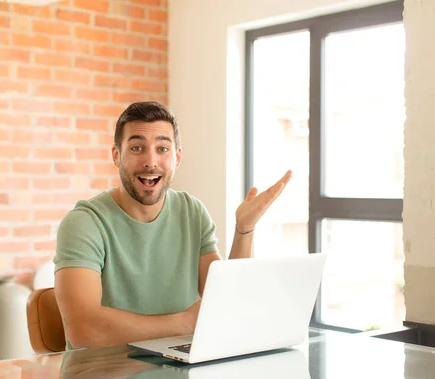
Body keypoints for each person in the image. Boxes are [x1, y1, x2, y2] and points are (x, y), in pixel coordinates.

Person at [54, 101, 292, 350]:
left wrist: (244, 229)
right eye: (136, 148)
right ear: (117, 155)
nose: (150, 161)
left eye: (162, 149)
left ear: (177, 157)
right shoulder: (84, 223)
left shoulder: (192, 212)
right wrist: (186, 323)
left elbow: (224, 304)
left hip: (180, 376)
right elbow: (83, 329)